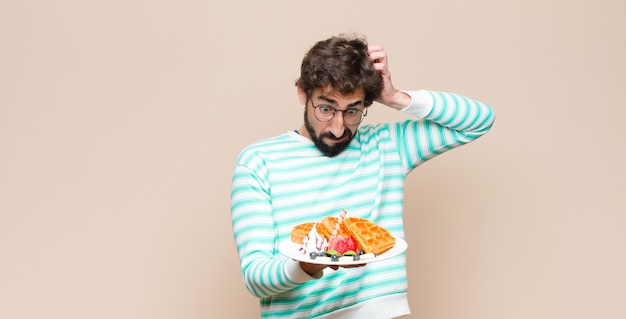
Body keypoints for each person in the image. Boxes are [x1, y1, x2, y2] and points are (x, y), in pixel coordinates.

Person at [230, 34, 495, 319]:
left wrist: (394, 97)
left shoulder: (388, 146)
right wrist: (307, 265)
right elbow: (255, 277)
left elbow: (478, 120)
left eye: (353, 111)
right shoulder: (258, 162)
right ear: (302, 93)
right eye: (326, 108)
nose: (337, 127)